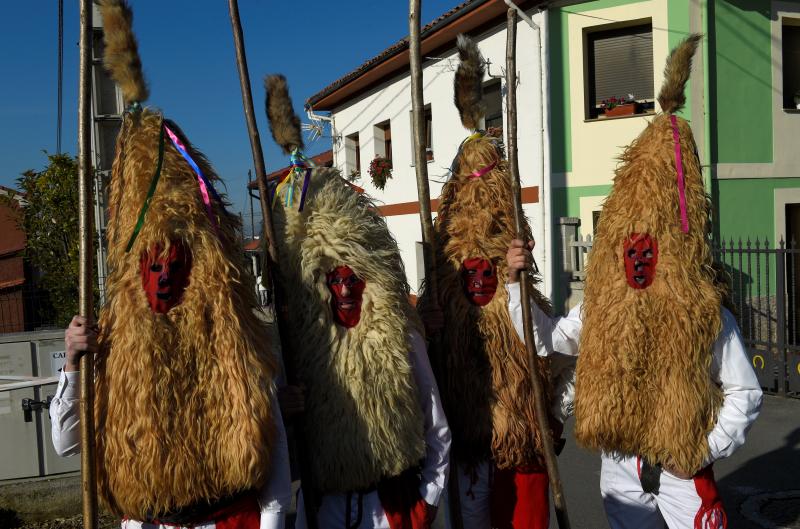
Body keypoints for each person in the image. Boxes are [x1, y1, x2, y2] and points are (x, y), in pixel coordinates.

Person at [49, 2, 292, 527]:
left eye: (175, 265)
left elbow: (275, 473)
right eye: (151, 266)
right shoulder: (109, 340)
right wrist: (73, 365)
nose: (163, 277)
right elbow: (68, 443)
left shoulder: (231, 337)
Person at [506, 35, 762, 529]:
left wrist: (702, 450)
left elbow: (745, 394)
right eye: (630, 247)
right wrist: (516, 284)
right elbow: (549, 339)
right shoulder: (600, 307)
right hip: (619, 466)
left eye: (651, 249)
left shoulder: (705, 313)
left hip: (682, 471)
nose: (638, 258)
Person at [264, 75, 450, 529]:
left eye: (353, 278)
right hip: (324, 507)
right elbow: (271, 450)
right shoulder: (294, 347)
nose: (344, 289)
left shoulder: (398, 332)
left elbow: (436, 424)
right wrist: (280, 409)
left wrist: (426, 498)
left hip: (394, 506)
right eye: (333, 281)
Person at [417, 35, 575, 529]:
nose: (478, 278)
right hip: (467, 451)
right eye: (470, 269)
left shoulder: (523, 303)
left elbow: (559, 354)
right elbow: (423, 380)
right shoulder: (441, 309)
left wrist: (553, 413)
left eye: (488, 267)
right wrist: (426, 324)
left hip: (522, 452)